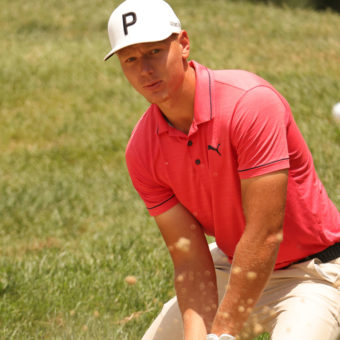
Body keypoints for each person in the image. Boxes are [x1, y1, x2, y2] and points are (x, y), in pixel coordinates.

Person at [104, 0, 340, 339]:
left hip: (312, 273)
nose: (145, 69)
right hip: (230, 267)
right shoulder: (142, 150)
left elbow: (264, 233)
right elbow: (190, 261)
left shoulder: (249, 103)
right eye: (130, 59)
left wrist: (222, 334)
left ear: (183, 44)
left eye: (154, 51)